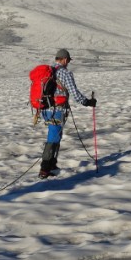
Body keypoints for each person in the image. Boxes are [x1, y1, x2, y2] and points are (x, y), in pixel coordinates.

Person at [39, 49, 97, 179]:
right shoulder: (65, 73)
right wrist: (88, 102)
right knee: (53, 137)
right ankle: (44, 169)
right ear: (65, 59)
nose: (68, 63)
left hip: (45, 109)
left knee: (55, 136)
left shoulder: (48, 71)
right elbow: (75, 94)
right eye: (68, 60)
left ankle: (52, 165)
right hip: (57, 109)